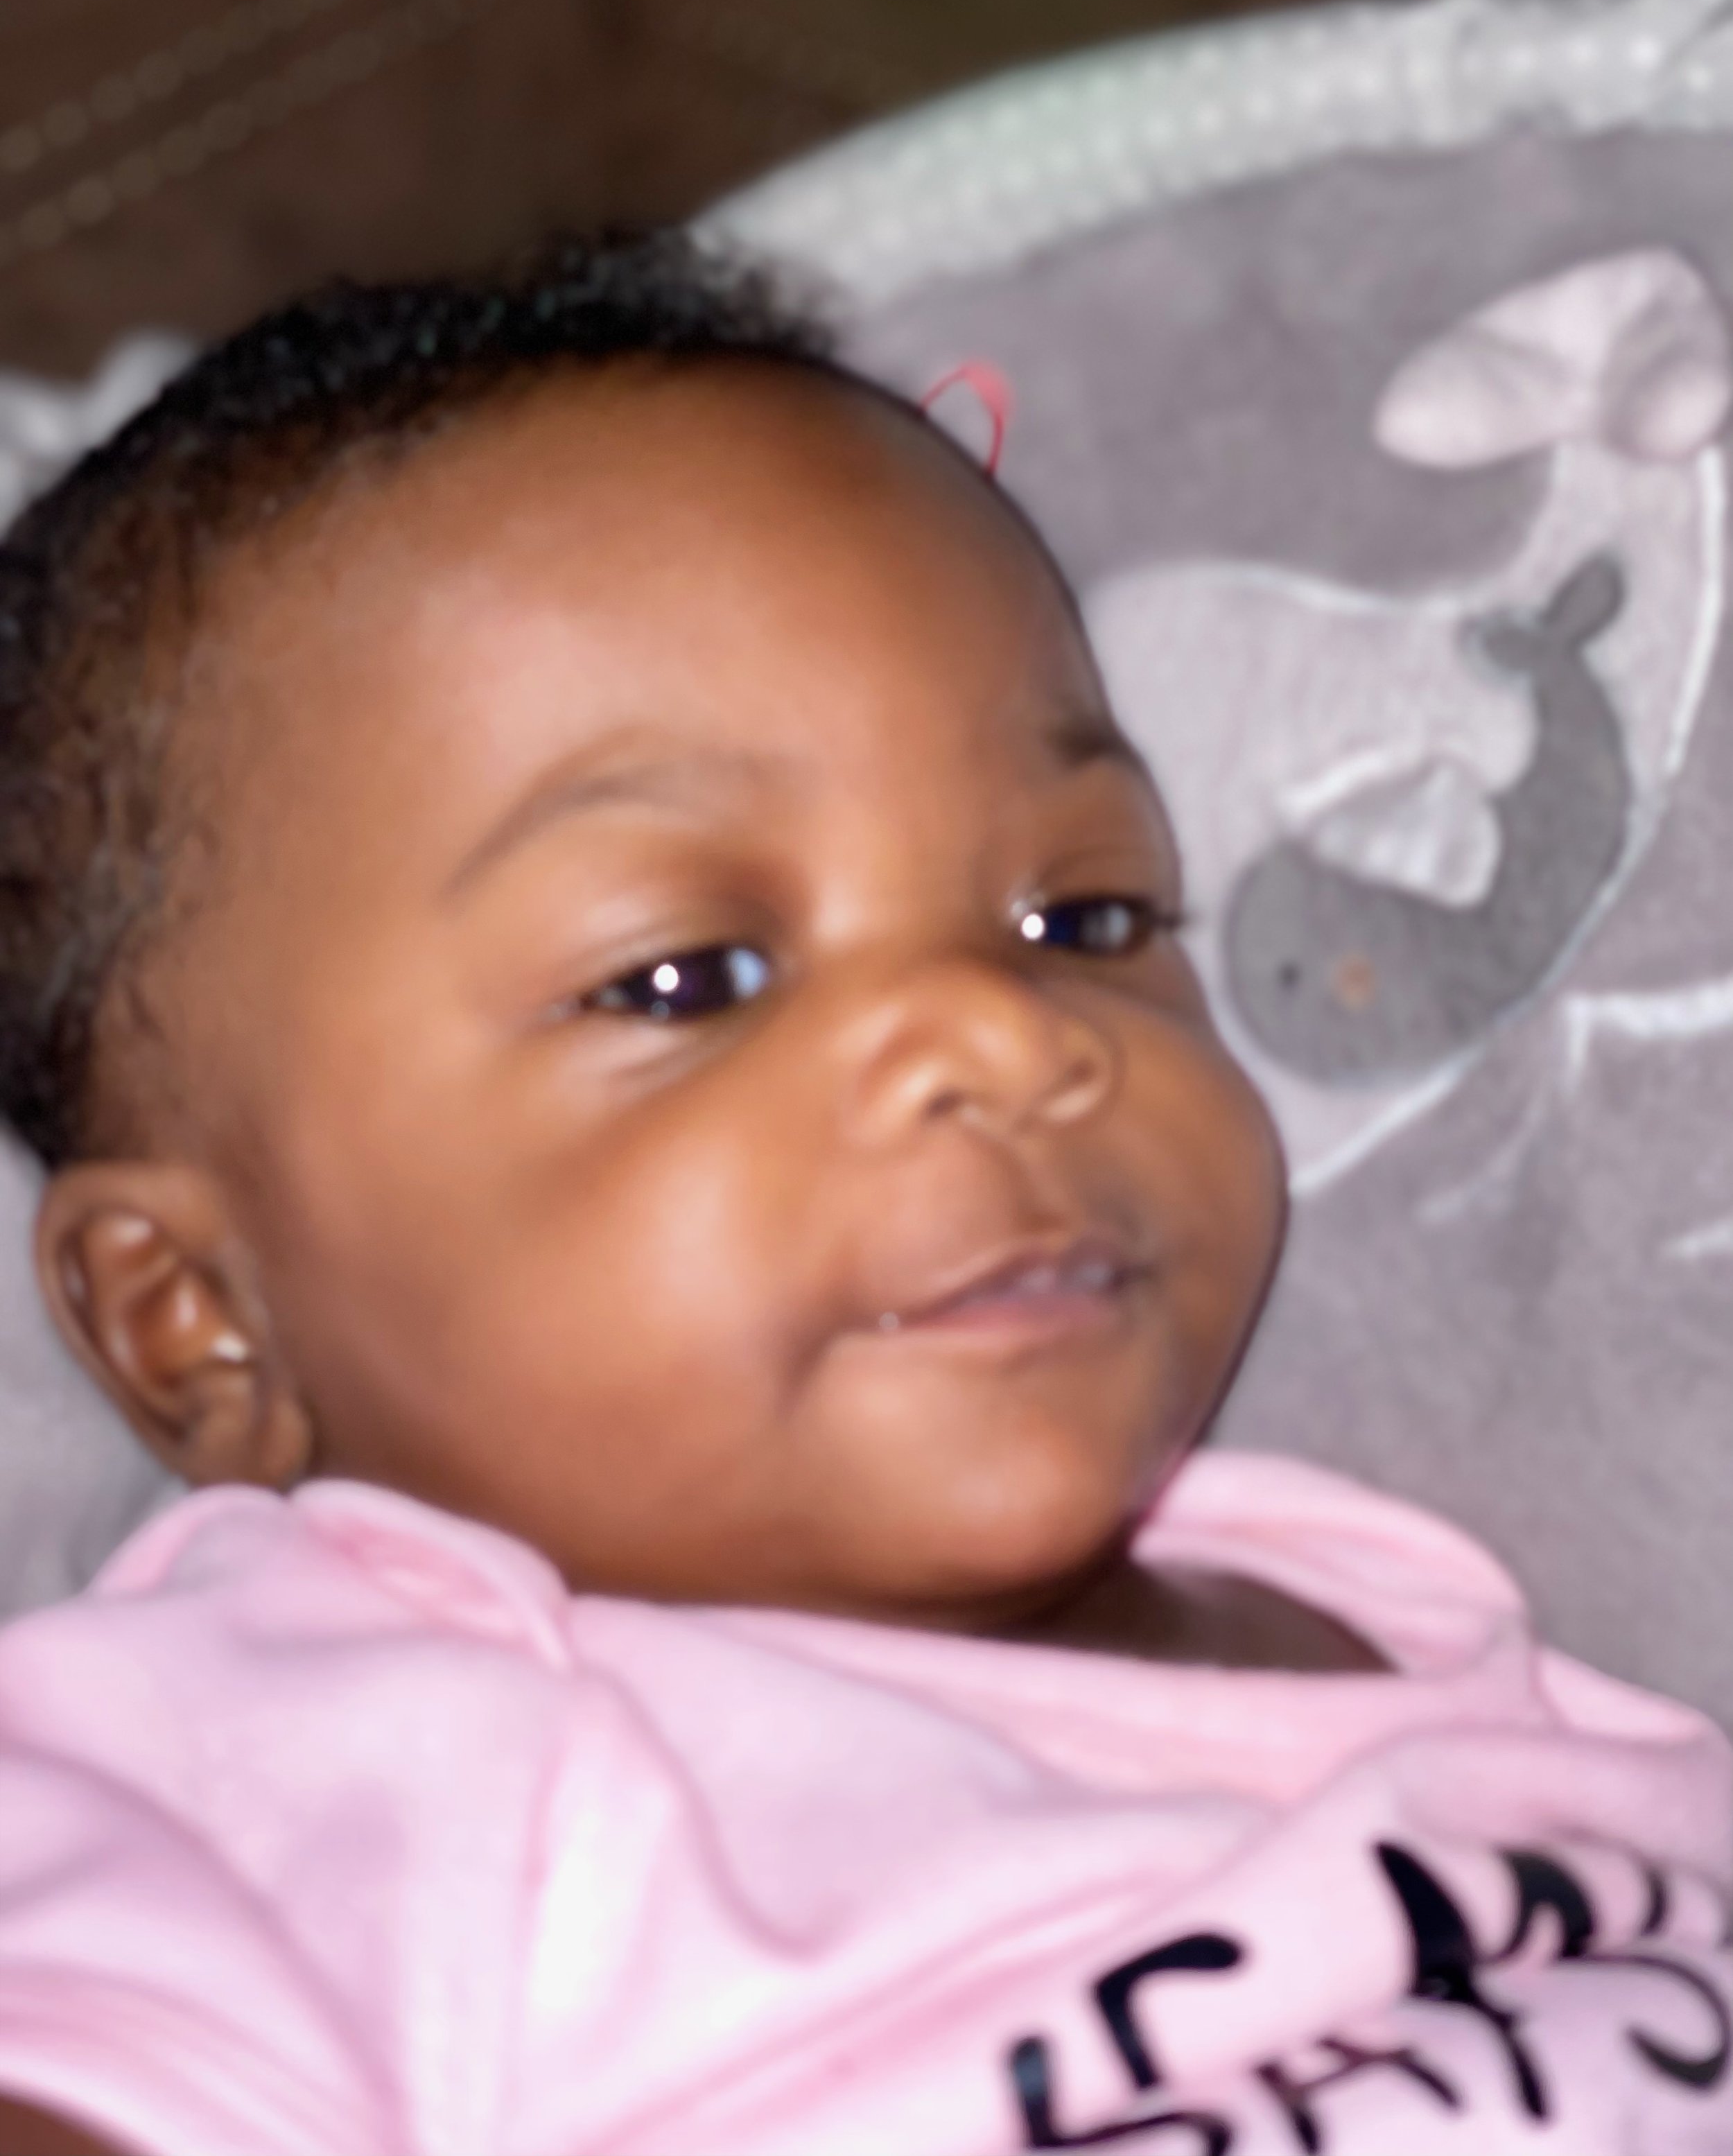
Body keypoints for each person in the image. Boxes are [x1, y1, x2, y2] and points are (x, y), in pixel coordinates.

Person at [0, 233, 1722, 2156]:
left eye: (1082, 916)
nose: (1004, 1033)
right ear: (198, 1319)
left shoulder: (1428, 1619)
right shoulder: (303, 1740)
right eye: (686, 979)